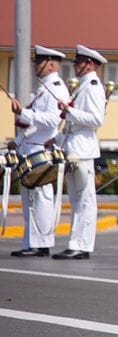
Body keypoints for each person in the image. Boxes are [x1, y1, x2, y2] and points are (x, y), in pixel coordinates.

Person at [10, 46, 68, 257]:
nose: (35, 65)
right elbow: (34, 121)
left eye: (39, 62)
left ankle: (41, 243)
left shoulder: (56, 88)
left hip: (40, 149)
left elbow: (53, 120)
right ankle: (31, 242)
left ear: (51, 64)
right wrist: (17, 140)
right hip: (30, 147)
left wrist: (23, 112)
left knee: (41, 199)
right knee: (30, 200)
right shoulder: (44, 88)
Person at [54, 45, 108, 260]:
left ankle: (82, 245)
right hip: (74, 145)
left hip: (84, 149)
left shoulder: (93, 86)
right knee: (76, 199)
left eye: (79, 62)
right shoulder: (83, 86)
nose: (75, 66)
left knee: (85, 200)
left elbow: (97, 119)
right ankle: (76, 242)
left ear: (90, 64)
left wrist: (70, 111)